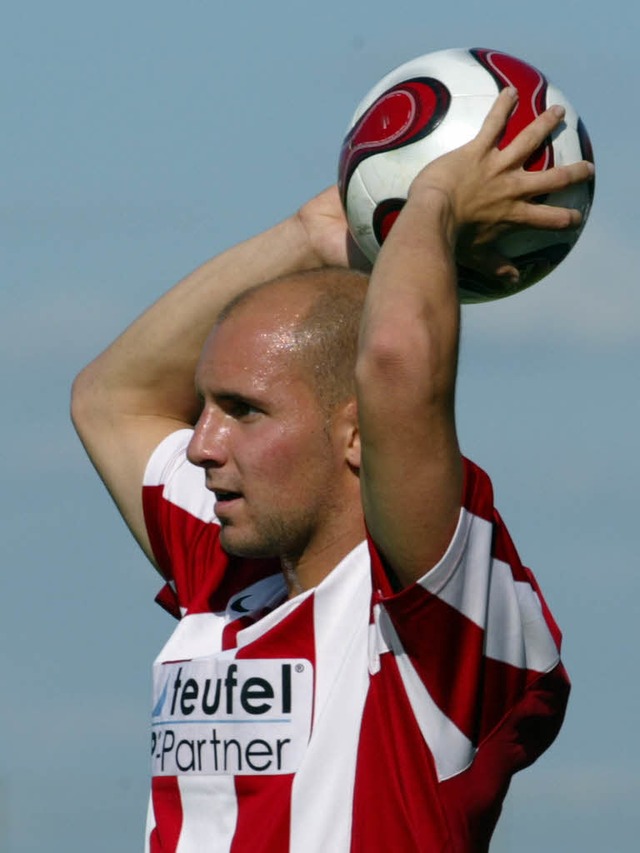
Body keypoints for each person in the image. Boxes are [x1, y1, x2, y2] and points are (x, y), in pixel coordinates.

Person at [71, 89, 593, 852]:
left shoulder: (436, 609)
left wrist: (435, 197)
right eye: (205, 406)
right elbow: (110, 398)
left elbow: (395, 362)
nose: (198, 443)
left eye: (243, 410)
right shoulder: (228, 564)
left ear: (359, 433)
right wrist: (308, 237)